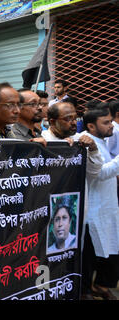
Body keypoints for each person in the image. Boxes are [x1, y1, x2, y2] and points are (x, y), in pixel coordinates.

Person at [81, 104, 119, 300]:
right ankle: (86, 291)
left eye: (111, 121)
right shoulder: (85, 142)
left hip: (107, 207)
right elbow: (98, 173)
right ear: (91, 126)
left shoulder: (102, 140)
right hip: (93, 212)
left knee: (109, 251)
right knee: (89, 256)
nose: (111, 126)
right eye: (106, 123)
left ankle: (99, 286)